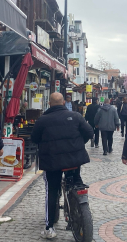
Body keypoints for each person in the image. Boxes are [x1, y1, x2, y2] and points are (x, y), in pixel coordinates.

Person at [31, 92, 93, 239]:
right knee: (76, 182)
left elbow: (34, 139)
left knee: (52, 191)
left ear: (49, 104)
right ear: (64, 102)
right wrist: (77, 145)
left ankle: (49, 227)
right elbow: (89, 132)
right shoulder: (76, 116)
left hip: (52, 162)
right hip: (74, 159)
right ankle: (77, 205)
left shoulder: (43, 120)